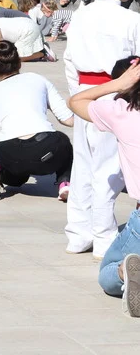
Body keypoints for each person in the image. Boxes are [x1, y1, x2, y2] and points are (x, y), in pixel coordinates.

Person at [63, 0, 140, 259]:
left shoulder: (80, 14)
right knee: (108, 171)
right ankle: (104, 238)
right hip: (118, 94)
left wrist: (77, 99)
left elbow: (69, 61)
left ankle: (78, 233)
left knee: (82, 165)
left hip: (84, 93)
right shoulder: (131, 19)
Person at [68, 58, 140, 314]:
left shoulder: (123, 112)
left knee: (107, 274)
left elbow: (75, 102)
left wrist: (117, 84)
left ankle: (123, 273)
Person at [0, 42, 74, 200]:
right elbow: (67, 119)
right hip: (45, 148)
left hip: (9, 152)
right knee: (63, 142)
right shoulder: (38, 79)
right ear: (19, 62)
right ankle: (65, 183)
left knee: (17, 177)